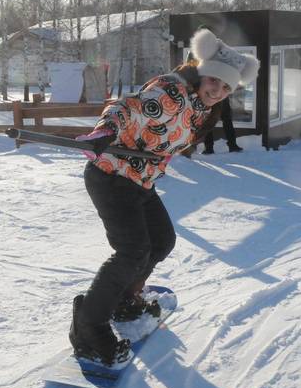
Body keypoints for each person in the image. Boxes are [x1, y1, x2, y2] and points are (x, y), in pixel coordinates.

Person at [69, 28, 259, 366]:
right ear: (203, 72)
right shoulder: (171, 92)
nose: (218, 91)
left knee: (161, 241)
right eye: (214, 81)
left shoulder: (202, 105)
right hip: (112, 175)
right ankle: (89, 325)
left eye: (226, 87)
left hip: (140, 179)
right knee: (131, 250)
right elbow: (128, 108)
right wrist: (106, 131)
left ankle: (126, 300)